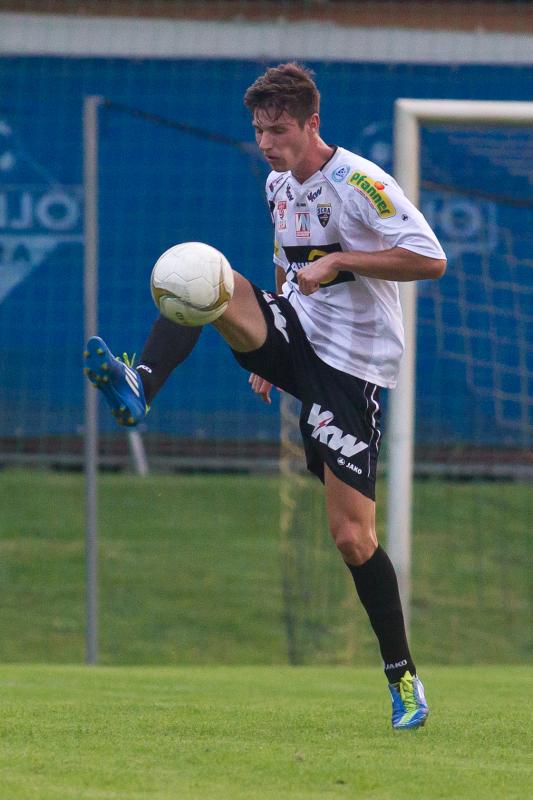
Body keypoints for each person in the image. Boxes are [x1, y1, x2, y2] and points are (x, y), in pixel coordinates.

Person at [84, 63, 446, 730]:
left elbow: (430, 259)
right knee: (202, 274)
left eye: (278, 130)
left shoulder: (360, 183)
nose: (266, 143)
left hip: (351, 370)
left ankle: (403, 678)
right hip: (297, 339)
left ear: (312, 123)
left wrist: (340, 261)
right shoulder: (278, 184)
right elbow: (285, 263)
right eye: (258, 130)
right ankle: (140, 385)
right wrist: (269, 343)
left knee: (352, 538)